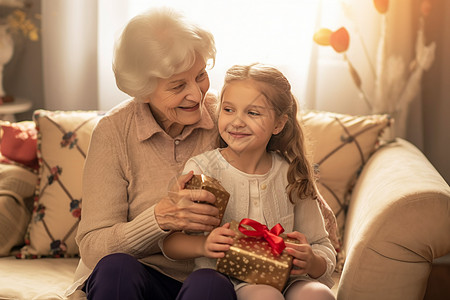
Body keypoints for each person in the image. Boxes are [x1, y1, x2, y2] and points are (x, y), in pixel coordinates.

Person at [65, 7, 238, 300]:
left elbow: (291, 180)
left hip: (208, 277)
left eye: (200, 76)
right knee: (115, 269)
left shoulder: (228, 115)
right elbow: (93, 246)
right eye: (177, 86)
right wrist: (160, 218)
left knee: (209, 284)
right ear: (142, 90)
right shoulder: (114, 131)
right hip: (139, 278)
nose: (196, 95)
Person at [162, 63, 337, 300]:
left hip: (291, 279)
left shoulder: (291, 173)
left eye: (252, 113)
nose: (237, 121)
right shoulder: (202, 170)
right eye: (229, 110)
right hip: (228, 282)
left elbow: (321, 243)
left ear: (278, 124)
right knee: (265, 295)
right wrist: (204, 246)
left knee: (318, 295)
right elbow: (170, 243)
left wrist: (312, 261)